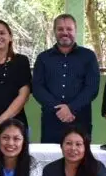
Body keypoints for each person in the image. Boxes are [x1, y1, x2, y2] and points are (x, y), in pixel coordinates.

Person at [32, 13, 101, 143]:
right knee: (49, 155)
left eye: (69, 29)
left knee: (80, 155)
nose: (65, 33)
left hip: (80, 121)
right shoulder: (43, 58)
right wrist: (59, 109)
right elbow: (37, 88)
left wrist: (71, 108)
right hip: (51, 122)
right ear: (54, 31)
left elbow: (92, 88)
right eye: (60, 29)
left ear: (75, 31)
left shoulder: (88, 56)